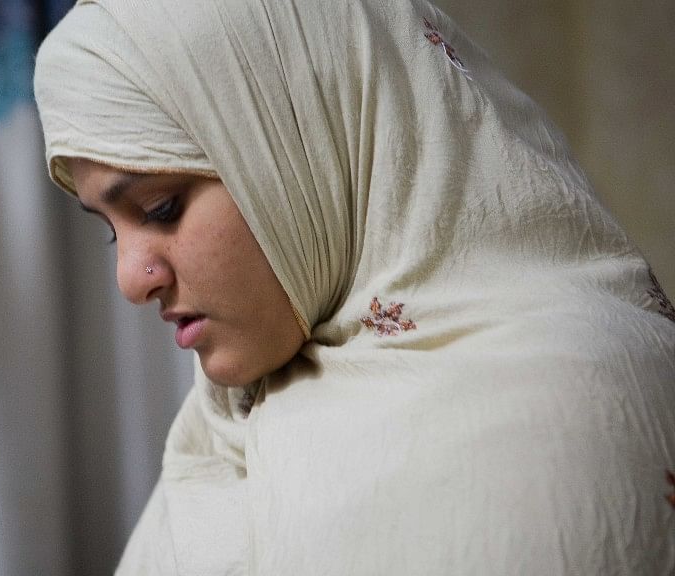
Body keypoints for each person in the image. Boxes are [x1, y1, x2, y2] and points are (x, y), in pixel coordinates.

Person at [34, 0, 675, 572]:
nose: (129, 281)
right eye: (111, 232)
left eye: (160, 208)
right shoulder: (223, 421)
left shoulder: (561, 416)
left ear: (303, 145)